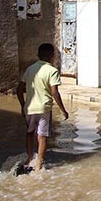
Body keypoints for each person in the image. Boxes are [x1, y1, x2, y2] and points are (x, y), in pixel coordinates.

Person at [16, 43, 69, 172]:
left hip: (29, 108)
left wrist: (23, 105)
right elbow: (55, 92)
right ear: (52, 56)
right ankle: (39, 163)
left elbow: (19, 90)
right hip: (44, 109)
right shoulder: (52, 71)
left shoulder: (30, 69)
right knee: (42, 136)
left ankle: (29, 158)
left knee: (29, 133)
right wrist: (63, 110)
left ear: (38, 55)